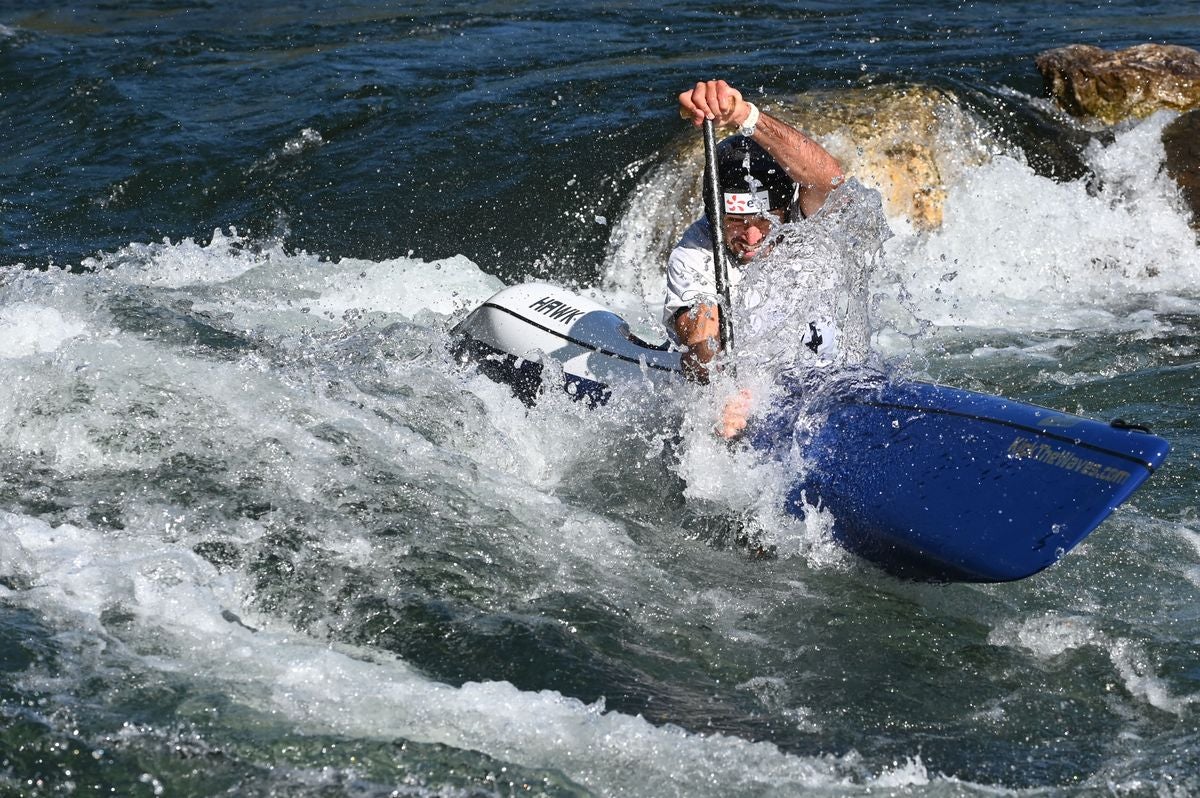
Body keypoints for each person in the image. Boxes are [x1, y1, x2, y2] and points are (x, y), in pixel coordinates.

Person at [663, 80, 845, 437]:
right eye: (735, 223)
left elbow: (830, 179)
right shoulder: (696, 252)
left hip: (836, 383)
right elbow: (702, 334)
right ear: (714, 215)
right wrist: (721, 390)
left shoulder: (803, 221)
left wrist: (742, 114)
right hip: (755, 396)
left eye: (764, 220)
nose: (752, 237)